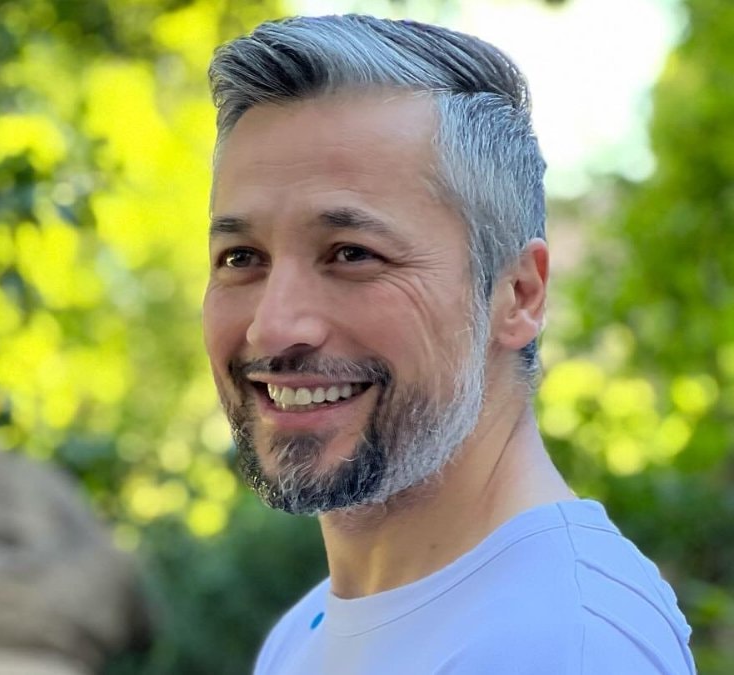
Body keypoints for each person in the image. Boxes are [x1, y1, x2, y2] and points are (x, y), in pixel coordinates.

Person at [202, 14, 695, 674]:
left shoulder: (558, 647)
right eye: (241, 258)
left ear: (518, 294)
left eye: (352, 253)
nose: (272, 326)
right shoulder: (309, 632)